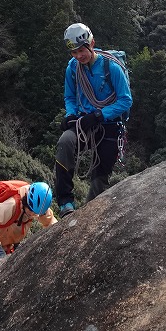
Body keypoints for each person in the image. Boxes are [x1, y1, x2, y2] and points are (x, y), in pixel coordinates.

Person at [54, 22, 133, 217]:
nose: (79, 56)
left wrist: (99, 114)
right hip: (85, 122)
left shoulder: (111, 67)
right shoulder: (73, 68)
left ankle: (89, 215)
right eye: (74, 52)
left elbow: (125, 100)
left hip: (110, 124)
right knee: (65, 142)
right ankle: (65, 203)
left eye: (82, 50)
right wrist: (70, 115)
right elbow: (70, 97)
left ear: (92, 44)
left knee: (100, 175)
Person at [0, 180, 57, 268]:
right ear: (25, 201)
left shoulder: (40, 207)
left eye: (36, 213)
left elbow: (51, 222)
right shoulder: (11, 205)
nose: (32, 214)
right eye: (31, 210)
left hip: (9, 245)